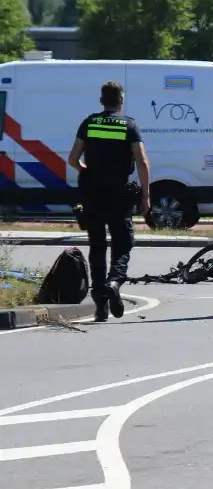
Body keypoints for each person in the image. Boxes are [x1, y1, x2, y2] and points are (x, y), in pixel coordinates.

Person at [67, 81, 151, 322]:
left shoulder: (89, 123)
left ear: (102, 100)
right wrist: (146, 194)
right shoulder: (129, 125)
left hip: (92, 192)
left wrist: (85, 170)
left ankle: (100, 307)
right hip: (119, 193)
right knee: (123, 242)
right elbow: (142, 162)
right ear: (120, 100)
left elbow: (73, 159)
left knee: (97, 247)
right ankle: (115, 282)